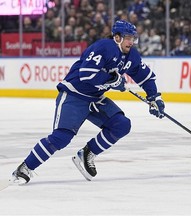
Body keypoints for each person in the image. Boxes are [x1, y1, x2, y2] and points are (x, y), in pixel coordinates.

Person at [11, 20, 165, 184]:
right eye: (128, 38)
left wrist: (154, 97)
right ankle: (25, 168)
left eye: (133, 38)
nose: (131, 42)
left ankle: (87, 154)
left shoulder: (132, 55)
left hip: (96, 98)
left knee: (121, 124)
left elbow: (145, 76)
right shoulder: (105, 47)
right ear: (117, 37)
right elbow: (86, 74)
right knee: (62, 137)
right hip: (74, 95)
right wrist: (112, 80)